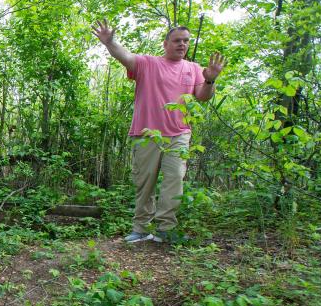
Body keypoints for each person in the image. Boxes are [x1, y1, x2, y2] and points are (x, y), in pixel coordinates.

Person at [92, 20, 225, 243]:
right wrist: (109, 42)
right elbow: (125, 56)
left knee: (174, 181)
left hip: (179, 134)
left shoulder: (193, 68)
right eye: (177, 41)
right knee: (144, 183)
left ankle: (165, 230)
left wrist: (210, 78)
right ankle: (141, 229)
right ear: (165, 44)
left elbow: (202, 96)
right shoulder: (148, 63)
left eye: (186, 41)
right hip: (146, 134)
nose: (182, 44)